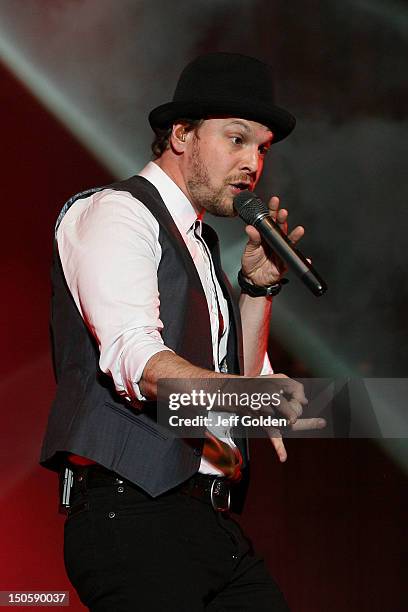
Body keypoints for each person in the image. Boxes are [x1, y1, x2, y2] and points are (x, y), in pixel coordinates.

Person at [40, 52, 322, 611]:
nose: (253, 165)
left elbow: (235, 393)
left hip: (205, 520)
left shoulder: (201, 246)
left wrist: (258, 292)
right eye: (237, 139)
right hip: (134, 513)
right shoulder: (119, 213)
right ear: (181, 135)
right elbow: (141, 365)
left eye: (262, 149)